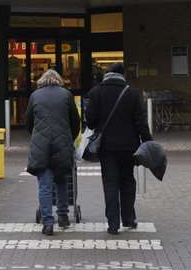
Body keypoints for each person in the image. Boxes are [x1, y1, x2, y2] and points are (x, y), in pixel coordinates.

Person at [85, 66, 151, 235]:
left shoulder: (96, 92)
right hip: (129, 146)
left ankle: (113, 224)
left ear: (106, 75)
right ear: (122, 75)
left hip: (106, 147)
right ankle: (129, 218)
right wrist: (148, 142)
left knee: (110, 183)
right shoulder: (133, 94)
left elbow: (91, 122)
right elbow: (141, 122)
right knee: (127, 181)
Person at [26, 68, 80, 235]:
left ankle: (48, 222)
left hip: (41, 145)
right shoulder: (66, 95)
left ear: (42, 80)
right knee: (62, 181)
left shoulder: (35, 96)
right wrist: (69, 137)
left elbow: (29, 121)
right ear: (58, 80)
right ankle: (63, 217)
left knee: (44, 185)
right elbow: (75, 121)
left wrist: (37, 136)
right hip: (62, 144)